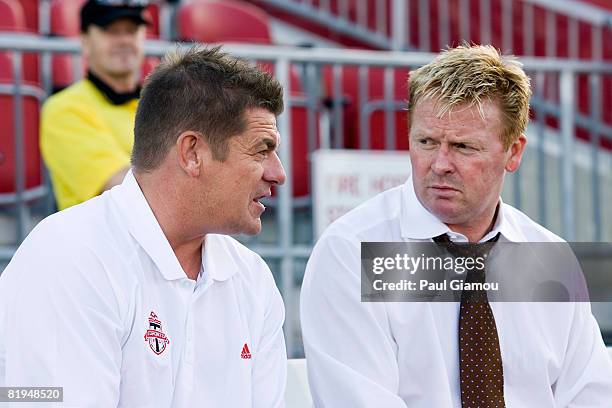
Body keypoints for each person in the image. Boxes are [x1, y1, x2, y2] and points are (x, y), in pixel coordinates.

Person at [301, 44, 612, 407]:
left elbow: (591, 395)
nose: (440, 164)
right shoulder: (351, 252)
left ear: (514, 152)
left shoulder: (548, 258)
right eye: (426, 142)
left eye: (463, 147)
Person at [0, 46, 287, 407]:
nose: (279, 173)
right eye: (261, 151)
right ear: (192, 153)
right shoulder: (67, 256)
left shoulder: (253, 279)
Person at [40, 0, 148, 210]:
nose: (124, 40)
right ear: (85, 41)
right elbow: (122, 189)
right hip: (101, 241)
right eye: (111, 31)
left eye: (132, 30)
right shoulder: (64, 108)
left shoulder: (160, 103)